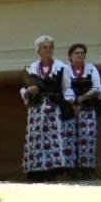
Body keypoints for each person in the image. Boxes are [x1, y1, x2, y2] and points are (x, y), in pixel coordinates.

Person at [19, 35, 74, 181]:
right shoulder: (30, 69)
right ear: (38, 50)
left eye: (50, 47)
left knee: (54, 139)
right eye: (44, 47)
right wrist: (29, 91)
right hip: (36, 110)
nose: (48, 50)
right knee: (36, 139)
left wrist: (68, 103)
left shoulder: (61, 67)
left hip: (54, 109)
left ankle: (53, 171)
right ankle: (37, 172)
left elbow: (67, 88)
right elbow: (23, 89)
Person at [63, 42, 101, 178]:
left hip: (88, 108)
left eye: (82, 53)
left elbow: (97, 87)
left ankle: (87, 170)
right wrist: (73, 103)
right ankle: (71, 171)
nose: (80, 55)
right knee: (69, 138)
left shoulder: (91, 69)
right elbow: (64, 88)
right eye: (77, 53)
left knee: (88, 138)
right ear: (70, 56)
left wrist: (82, 99)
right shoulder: (65, 70)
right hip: (71, 109)